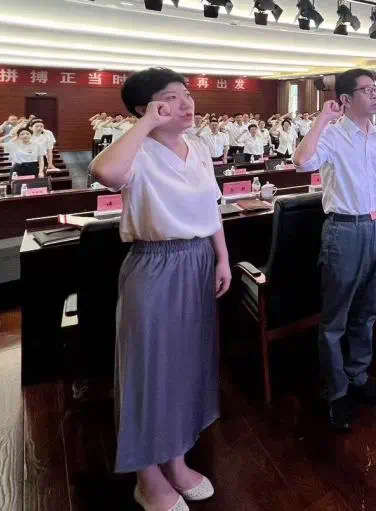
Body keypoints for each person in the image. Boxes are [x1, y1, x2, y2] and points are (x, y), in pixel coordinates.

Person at [89, 67, 230, 511]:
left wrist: (222, 257)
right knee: (148, 371)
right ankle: (146, 476)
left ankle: (176, 459)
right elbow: (104, 172)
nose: (186, 103)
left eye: (187, 94)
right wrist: (147, 123)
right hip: (155, 264)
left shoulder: (199, 148)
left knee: (186, 366)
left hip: (198, 260)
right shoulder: (137, 150)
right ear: (145, 107)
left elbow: (212, 208)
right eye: (171, 97)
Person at [293, 69, 376, 432]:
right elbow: (301, 161)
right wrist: (322, 118)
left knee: (366, 312)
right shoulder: (333, 136)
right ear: (346, 100)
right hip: (344, 231)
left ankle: (358, 375)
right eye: (367, 90)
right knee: (335, 319)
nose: (375, 95)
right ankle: (336, 392)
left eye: (375, 89)